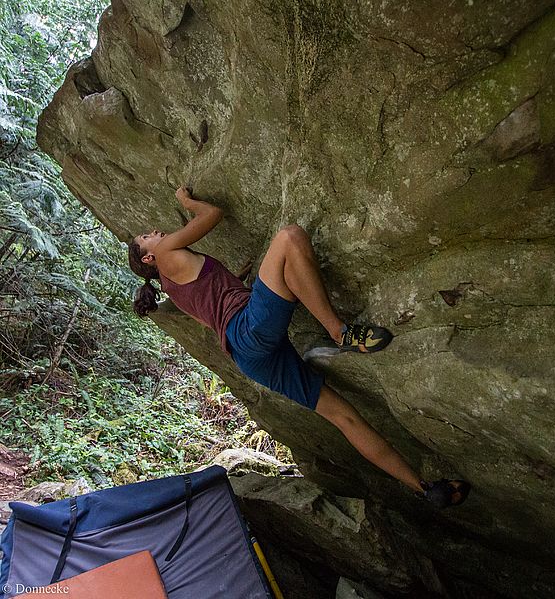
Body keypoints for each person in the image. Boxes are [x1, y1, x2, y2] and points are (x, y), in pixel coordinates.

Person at [127, 186, 470, 508]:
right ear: (148, 260)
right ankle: (341, 334)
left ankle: (426, 489)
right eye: (147, 238)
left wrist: (240, 283)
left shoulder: (174, 289)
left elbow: (213, 315)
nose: (155, 232)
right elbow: (212, 215)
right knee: (289, 237)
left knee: (343, 416)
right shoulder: (168, 251)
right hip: (249, 330)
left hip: (247, 355)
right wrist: (188, 203)